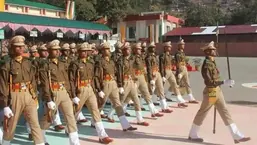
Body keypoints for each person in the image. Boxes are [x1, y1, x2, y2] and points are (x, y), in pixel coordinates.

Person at [188, 41, 251, 144]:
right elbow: (209, 81)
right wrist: (223, 82)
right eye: (212, 49)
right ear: (208, 51)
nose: (215, 50)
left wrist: (225, 82)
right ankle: (193, 134)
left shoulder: (212, 62)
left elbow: (216, 77)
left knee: (225, 111)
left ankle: (236, 135)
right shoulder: (207, 65)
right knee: (203, 112)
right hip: (211, 91)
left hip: (217, 90)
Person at [0, 35, 44, 145]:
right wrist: (5, 105)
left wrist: (34, 96)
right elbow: (3, 85)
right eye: (17, 47)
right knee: (11, 124)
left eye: (22, 46)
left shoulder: (28, 62)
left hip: (29, 95)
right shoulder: (7, 64)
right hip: (15, 95)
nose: (20, 49)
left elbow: (32, 79)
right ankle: (5, 143)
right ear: (12, 48)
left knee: (35, 123)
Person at [69, 42, 113, 144]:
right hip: (80, 90)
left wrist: (97, 90)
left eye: (86, 51)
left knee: (95, 111)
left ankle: (102, 136)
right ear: (79, 52)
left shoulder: (90, 63)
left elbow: (93, 78)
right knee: (75, 111)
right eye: (83, 51)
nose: (85, 53)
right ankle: (69, 128)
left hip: (90, 89)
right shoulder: (75, 64)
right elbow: (71, 80)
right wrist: (73, 95)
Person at [39, 39, 80, 145]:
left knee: (70, 117)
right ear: (49, 50)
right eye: (54, 50)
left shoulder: (62, 63)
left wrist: (71, 94)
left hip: (64, 92)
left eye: (58, 50)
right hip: (54, 92)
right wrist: (48, 99)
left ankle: (75, 142)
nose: (57, 52)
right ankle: (40, 137)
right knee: (48, 117)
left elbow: (67, 79)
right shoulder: (45, 65)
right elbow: (45, 83)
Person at [94, 42, 137, 131]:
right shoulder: (99, 62)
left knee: (118, 104)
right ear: (102, 51)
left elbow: (117, 73)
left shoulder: (112, 61)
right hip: (105, 83)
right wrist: (99, 90)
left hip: (113, 83)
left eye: (109, 49)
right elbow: (96, 76)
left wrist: (119, 85)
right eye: (106, 49)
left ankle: (125, 125)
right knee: (101, 104)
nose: (108, 51)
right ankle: (93, 120)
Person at [109, 42, 149, 126]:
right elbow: (119, 73)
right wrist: (120, 86)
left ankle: (139, 119)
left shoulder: (130, 60)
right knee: (120, 100)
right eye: (127, 49)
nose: (129, 50)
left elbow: (132, 71)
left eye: (130, 49)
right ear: (123, 51)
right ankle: (110, 114)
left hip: (131, 81)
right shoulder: (121, 61)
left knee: (136, 100)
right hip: (125, 82)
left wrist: (134, 80)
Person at [123, 42, 164, 118]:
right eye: (138, 49)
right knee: (129, 96)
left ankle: (153, 111)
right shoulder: (132, 58)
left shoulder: (141, 57)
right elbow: (130, 69)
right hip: (135, 78)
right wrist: (133, 79)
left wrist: (147, 78)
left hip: (141, 77)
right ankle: (122, 110)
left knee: (147, 94)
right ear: (134, 50)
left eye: (140, 49)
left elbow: (143, 68)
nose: (140, 50)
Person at [145, 42, 173, 113]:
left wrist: (162, 75)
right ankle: (151, 106)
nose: (154, 49)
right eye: (152, 48)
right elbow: (149, 68)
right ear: (149, 49)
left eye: (154, 47)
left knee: (161, 89)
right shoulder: (148, 57)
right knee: (150, 91)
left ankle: (164, 106)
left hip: (157, 73)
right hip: (153, 74)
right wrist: (151, 78)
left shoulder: (155, 56)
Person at [159, 41, 188, 108]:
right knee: (160, 87)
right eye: (169, 47)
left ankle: (179, 100)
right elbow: (161, 66)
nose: (170, 48)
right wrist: (162, 75)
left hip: (170, 71)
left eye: (170, 47)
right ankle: (155, 99)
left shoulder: (169, 55)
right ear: (165, 47)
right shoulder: (162, 55)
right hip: (165, 71)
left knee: (174, 84)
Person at [175, 39, 198, 103]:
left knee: (187, 83)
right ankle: (170, 95)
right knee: (176, 83)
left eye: (184, 44)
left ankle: (191, 97)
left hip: (184, 68)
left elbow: (185, 61)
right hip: (180, 68)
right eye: (182, 44)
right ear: (179, 46)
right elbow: (178, 62)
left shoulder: (183, 53)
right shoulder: (177, 54)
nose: (183, 46)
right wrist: (179, 71)